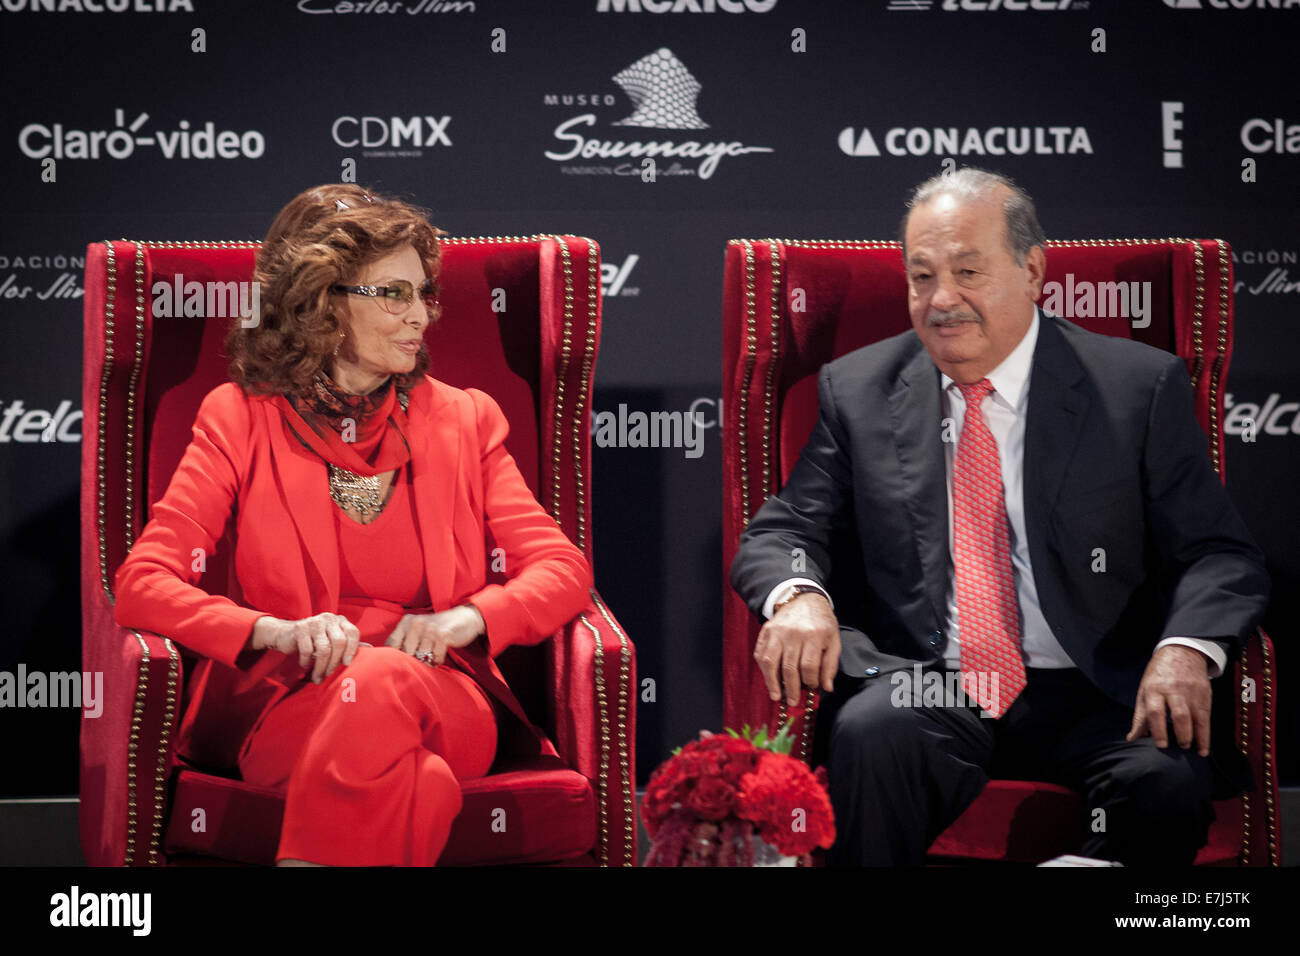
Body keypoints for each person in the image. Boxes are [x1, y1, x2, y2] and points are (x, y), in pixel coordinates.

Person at [729, 168, 1270, 866]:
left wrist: (1185, 649)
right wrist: (799, 596)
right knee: (871, 734)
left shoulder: (1135, 388)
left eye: (968, 271)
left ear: (1032, 270)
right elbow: (785, 530)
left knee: (1162, 782)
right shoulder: (860, 390)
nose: (942, 300)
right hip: (933, 679)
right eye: (921, 276)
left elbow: (1219, 552)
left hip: (1097, 685)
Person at [113, 184, 593, 866]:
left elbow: (563, 570)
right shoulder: (239, 417)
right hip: (292, 704)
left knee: (382, 679)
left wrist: (466, 620)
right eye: (393, 294)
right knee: (417, 783)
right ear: (322, 303)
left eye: (425, 293)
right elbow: (142, 584)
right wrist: (274, 631)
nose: (421, 315)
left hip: (443, 696)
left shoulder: (464, 418)